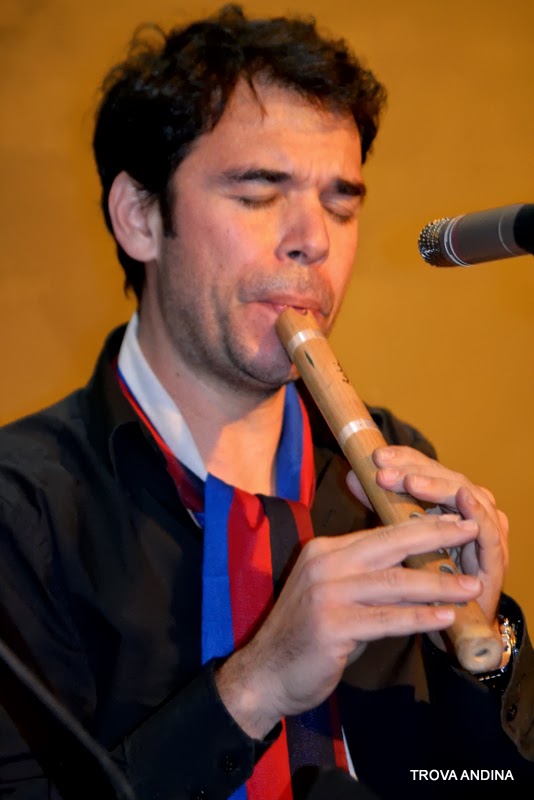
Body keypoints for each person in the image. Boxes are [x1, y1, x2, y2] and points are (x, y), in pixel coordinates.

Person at [0, 5, 533, 799]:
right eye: (258, 194)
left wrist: (484, 655)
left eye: (341, 203)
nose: (312, 239)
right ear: (140, 217)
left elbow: (473, 779)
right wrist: (252, 688)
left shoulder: (391, 468)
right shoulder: (22, 514)